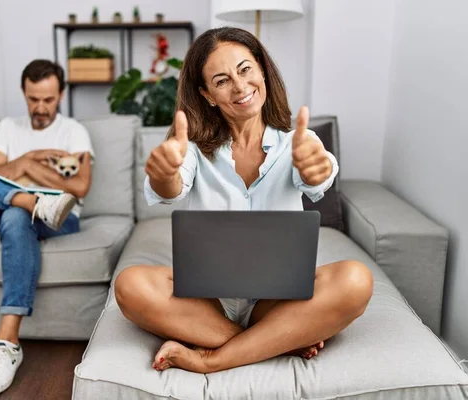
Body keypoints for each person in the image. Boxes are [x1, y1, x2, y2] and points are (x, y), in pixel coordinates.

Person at [114, 27, 373, 374]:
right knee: (130, 285)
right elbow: (170, 187)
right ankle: (276, 339)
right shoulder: (191, 148)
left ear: (262, 70)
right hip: (206, 303)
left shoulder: (298, 142)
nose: (239, 86)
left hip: (276, 300)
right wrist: (163, 174)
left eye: (245, 69)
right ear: (207, 95)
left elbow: (318, 175)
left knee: (356, 280)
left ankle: (212, 358)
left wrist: (316, 168)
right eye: (222, 80)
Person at [0, 59, 94, 398]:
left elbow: (80, 185)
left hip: (59, 216)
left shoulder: (73, 131)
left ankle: (7, 343)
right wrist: (29, 160)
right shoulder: (9, 127)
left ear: (61, 95)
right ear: (24, 93)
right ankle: (29, 201)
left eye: (48, 100)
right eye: (33, 99)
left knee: (14, 216)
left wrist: (20, 169)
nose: (40, 108)